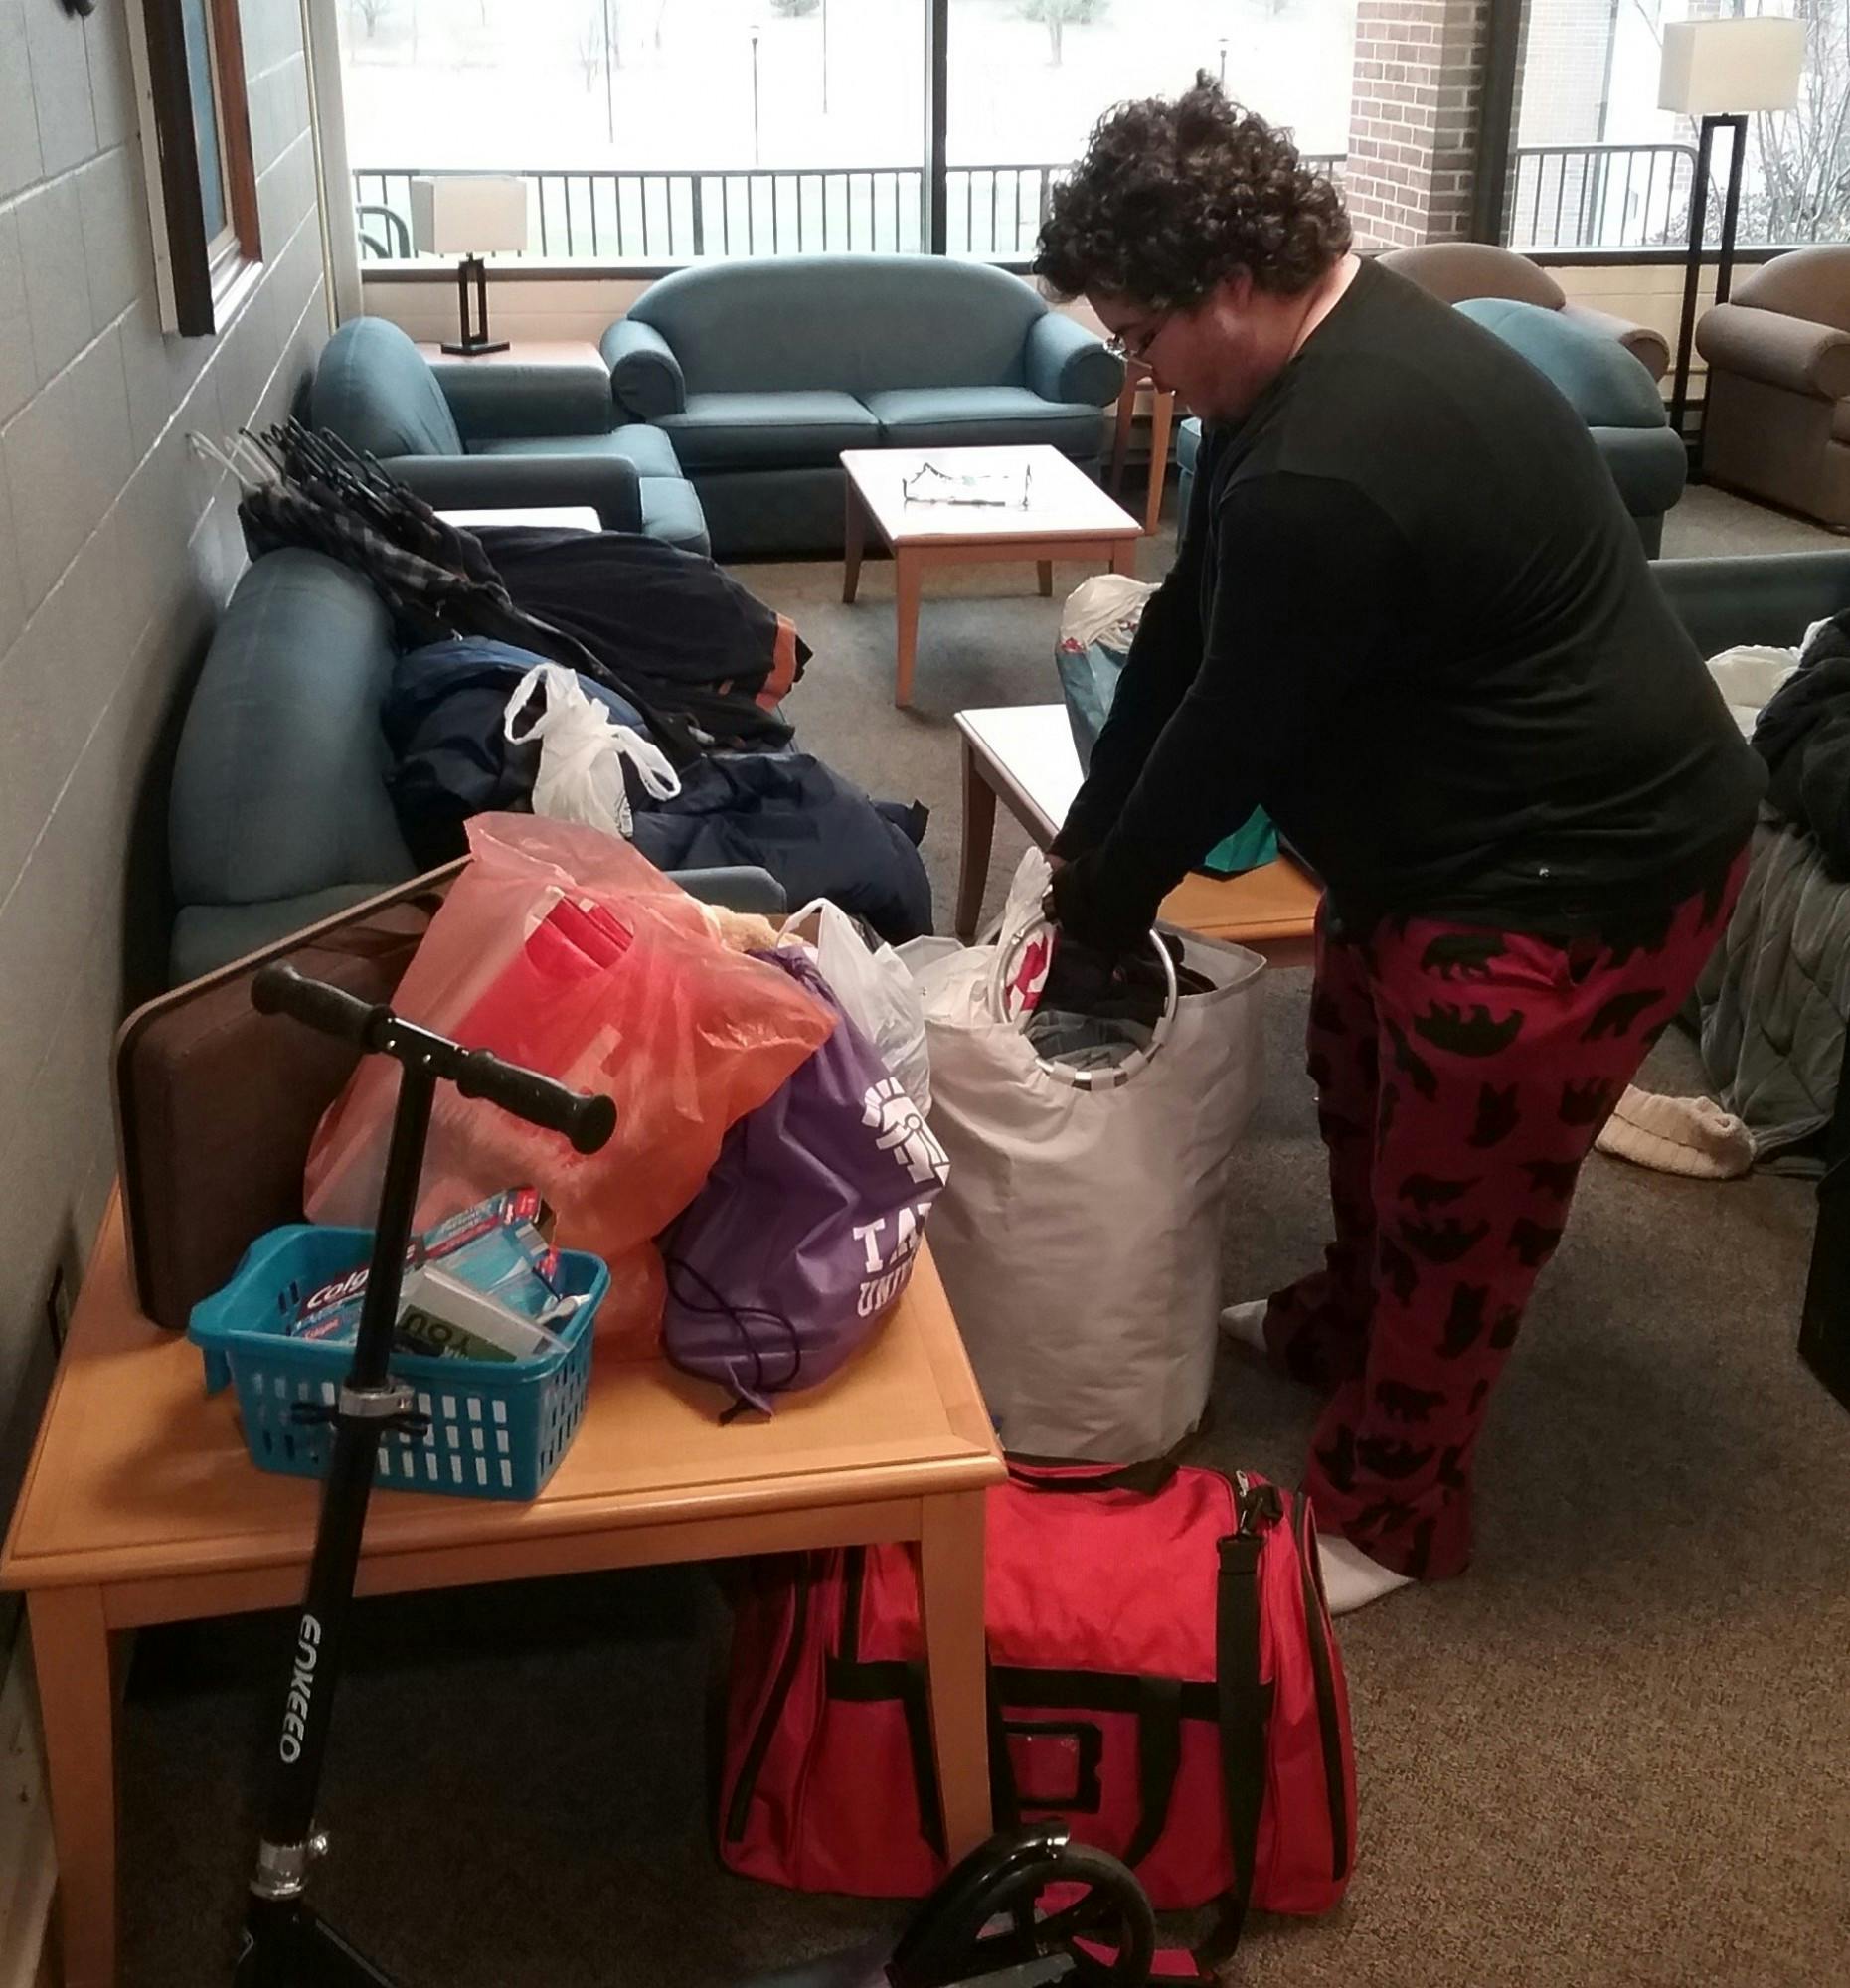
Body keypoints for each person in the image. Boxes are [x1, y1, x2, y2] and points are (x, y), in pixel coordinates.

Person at [1034, 80, 1764, 1612]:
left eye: (1137, 335)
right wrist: (1083, 864)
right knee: (1361, 1084)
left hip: (1575, 873)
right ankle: (1333, 1333)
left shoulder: (1331, 455)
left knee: (1461, 1204)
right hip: (1438, 846)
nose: (1134, 372)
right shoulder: (1290, 380)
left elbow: (1229, 725)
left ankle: (1390, 1513)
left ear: (1227, 284)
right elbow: (1182, 633)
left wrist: (1108, 902)